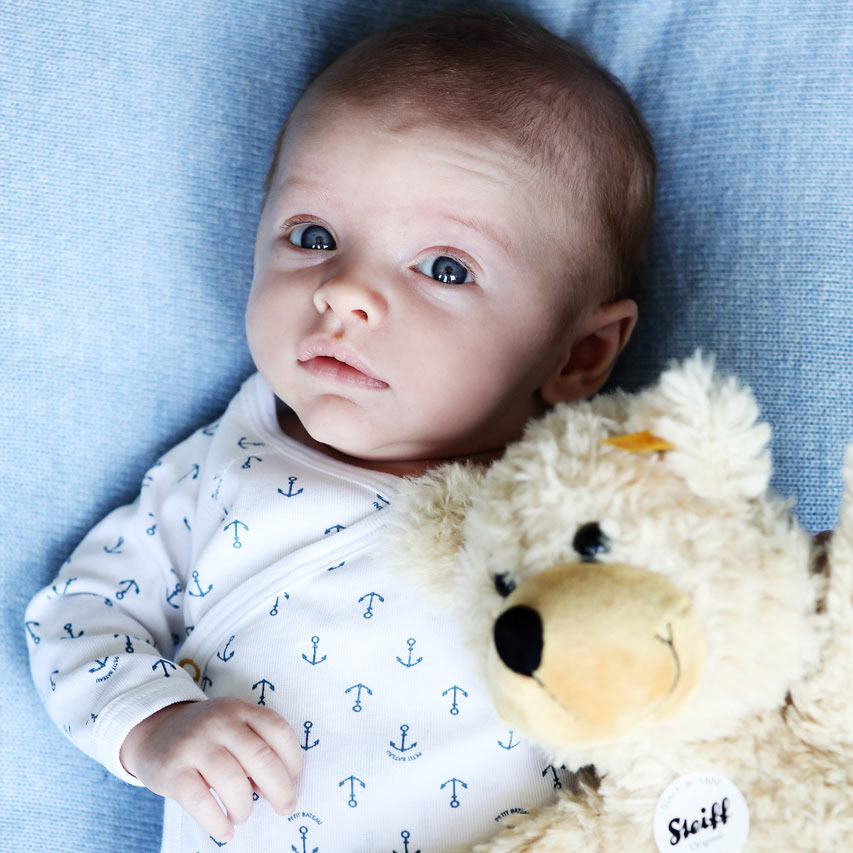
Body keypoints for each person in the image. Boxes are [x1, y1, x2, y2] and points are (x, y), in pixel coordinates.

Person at [25, 10, 656, 852]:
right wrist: (153, 724)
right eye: (313, 236)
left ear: (577, 353)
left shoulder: (590, 506)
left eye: (444, 268)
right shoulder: (224, 470)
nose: (344, 290)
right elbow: (78, 613)